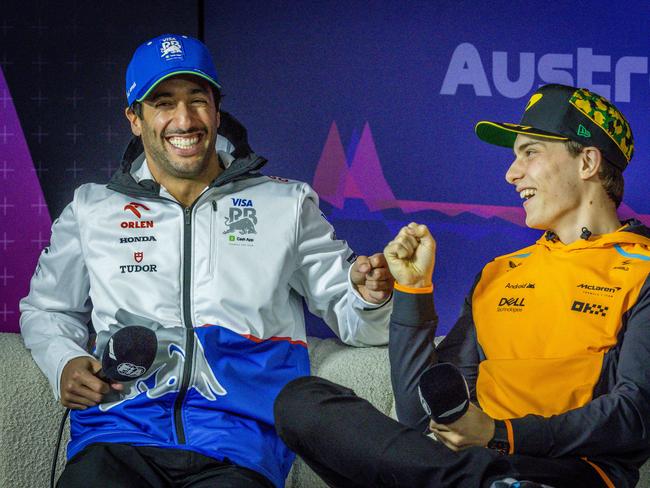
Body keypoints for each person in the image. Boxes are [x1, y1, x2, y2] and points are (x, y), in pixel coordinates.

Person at [19, 33, 394, 488]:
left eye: (197, 100)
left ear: (217, 111)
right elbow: (46, 309)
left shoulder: (285, 204)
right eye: (162, 102)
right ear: (134, 119)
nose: (184, 119)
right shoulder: (92, 209)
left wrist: (370, 296)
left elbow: (360, 322)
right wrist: (64, 360)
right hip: (117, 437)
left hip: (239, 447)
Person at [274, 84, 650, 487]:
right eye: (513, 157)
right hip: (470, 470)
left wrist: (499, 434)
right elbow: (424, 414)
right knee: (301, 402)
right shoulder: (500, 273)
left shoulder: (642, 269)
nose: (511, 173)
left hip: (570, 474)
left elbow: (635, 415)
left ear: (588, 161)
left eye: (530, 153)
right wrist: (413, 293)